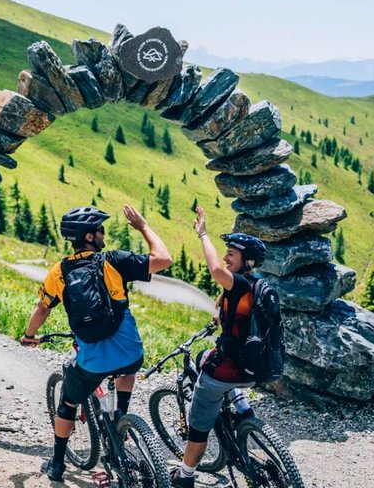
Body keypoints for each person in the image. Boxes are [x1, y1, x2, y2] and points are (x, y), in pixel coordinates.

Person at [21, 205, 172, 482]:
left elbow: (42, 309)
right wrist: (143, 226)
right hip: (130, 351)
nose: (104, 234)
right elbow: (164, 258)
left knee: (67, 402)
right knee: (128, 368)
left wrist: (30, 335)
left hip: (93, 361)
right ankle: (120, 418)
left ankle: (57, 464)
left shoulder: (60, 271)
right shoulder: (112, 260)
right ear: (89, 236)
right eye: (100, 230)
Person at [170, 206, 268, 488]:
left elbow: (215, 269)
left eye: (232, 254)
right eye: (226, 252)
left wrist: (202, 233)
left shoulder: (236, 284)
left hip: (229, 369)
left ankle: (186, 476)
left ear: (245, 261)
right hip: (255, 367)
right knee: (204, 357)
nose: (226, 258)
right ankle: (242, 409)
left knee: (198, 421)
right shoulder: (258, 286)